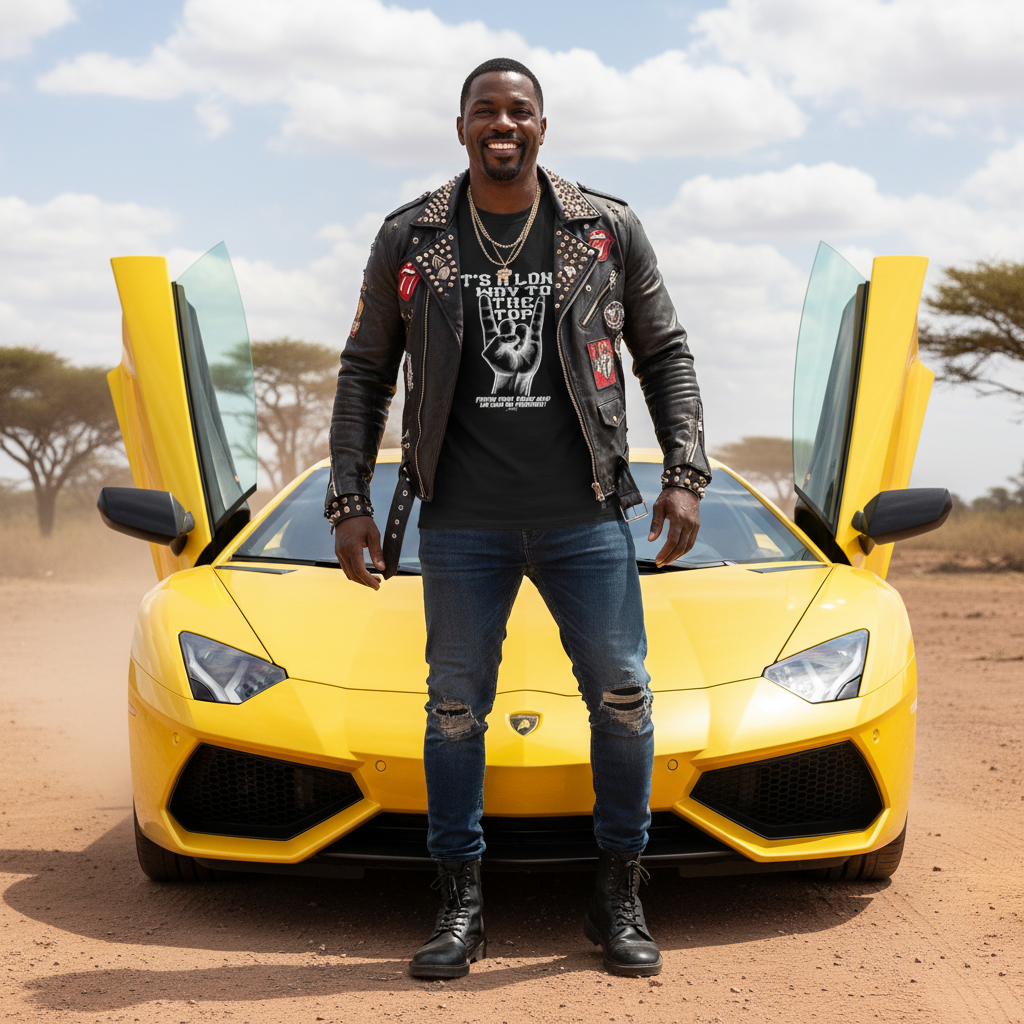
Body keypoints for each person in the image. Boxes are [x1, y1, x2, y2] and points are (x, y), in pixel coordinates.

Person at [326, 57, 710, 979]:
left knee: (622, 699)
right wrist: (350, 502)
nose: (504, 123)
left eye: (521, 110)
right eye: (486, 110)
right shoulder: (412, 237)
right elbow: (365, 373)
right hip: (459, 522)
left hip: (585, 517)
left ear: (544, 125)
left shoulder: (604, 228)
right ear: (459, 124)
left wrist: (686, 472)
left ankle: (617, 892)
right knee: (455, 711)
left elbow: (666, 353)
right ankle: (460, 903)